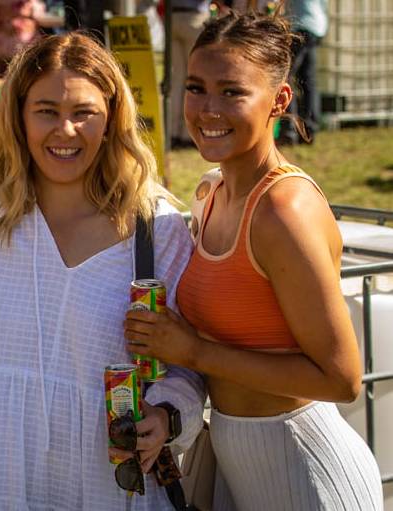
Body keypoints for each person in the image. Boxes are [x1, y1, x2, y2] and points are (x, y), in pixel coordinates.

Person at [124, 12, 383, 510]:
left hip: (306, 470)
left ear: (279, 101)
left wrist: (194, 351)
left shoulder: (285, 211)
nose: (208, 109)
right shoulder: (210, 194)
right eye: (196, 87)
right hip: (236, 464)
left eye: (232, 92)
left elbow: (342, 378)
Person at [0, 33, 205, 509]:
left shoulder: (158, 231)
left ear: (111, 120)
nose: (65, 130)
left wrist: (166, 415)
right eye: (46, 110)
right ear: (19, 117)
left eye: (83, 113)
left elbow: (187, 368)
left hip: (109, 484)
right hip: (3, 478)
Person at [278, 0, 327, 145]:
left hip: (299, 27)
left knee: (283, 77)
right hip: (317, 26)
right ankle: (309, 131)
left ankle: (289, 131)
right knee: (308, 81)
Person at [166, 0, 211, 148]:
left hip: (172, 17)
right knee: (194, 78)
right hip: (194, 18)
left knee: (177, 78)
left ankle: (172, 132)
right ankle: (187, 135)